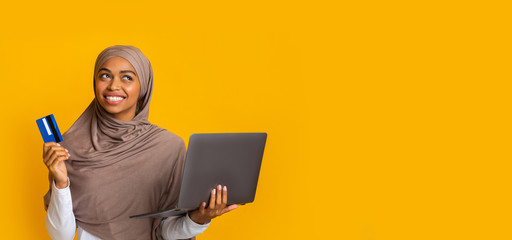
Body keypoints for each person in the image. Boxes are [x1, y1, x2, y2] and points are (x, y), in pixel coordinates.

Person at [42, 45, 238, 240]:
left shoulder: (168, 148)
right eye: (105, 76)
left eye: (127, 77)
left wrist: (200, 218)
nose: (113, 86)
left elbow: (166, 231)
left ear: (143, 85)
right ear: (95, 82)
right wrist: (61, 182)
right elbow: (61, 236)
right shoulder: (69, 145)